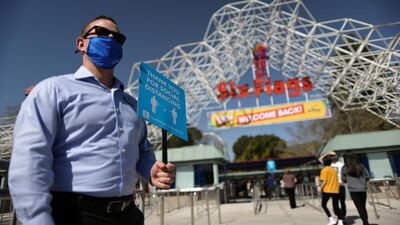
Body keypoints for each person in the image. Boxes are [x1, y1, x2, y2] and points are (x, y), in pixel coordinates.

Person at [8, 15, 175, 225]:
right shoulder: (53, 90)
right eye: (103, 33)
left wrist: (152, 170)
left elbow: (142, 152)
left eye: (118, 38)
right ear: (81, 43)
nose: (111, 39)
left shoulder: (132, 105)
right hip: (75, 215)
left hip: (129, 214)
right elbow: (29, 161)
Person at [342, 154, 371, 225]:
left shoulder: (345, 167)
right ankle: (365, 222)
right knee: (363, 206)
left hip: (353, 190)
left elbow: (343, 179)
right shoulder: (361, 165)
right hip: (362, 189)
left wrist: (349, 180)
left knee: (359, 207)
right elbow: (368, 176)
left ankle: (365, 222)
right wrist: (362, 180)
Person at [319, 157, 344, 225]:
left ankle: (331, 218)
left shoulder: (324, 170)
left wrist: (320, 188)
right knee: (336, 206)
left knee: (323, 205)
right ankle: (340, 221)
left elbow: (324, 181)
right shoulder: (334, 170)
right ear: (330, 163)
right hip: (335, 190)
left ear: (324, 163)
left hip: (327, 190)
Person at [329, 151, 347, 218]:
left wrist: (342, 182)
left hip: (341, 185)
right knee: (335, 203)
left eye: (333, 155)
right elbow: (320, 159)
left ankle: (343, 216)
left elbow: (345, 175)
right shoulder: (329, 165)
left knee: (342, 202)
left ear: (336, 156)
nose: (332, 157)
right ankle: (339, 216)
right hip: (333, 186)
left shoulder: (341, 164)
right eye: (330, 156)